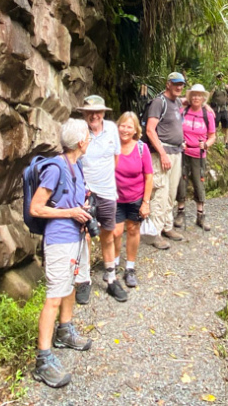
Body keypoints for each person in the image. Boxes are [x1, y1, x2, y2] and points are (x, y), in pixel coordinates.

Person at [29, 119, 93, 389]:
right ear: (81, 142)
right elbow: (36, 208)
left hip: (76, 239)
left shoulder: (76, 165)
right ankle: (43, 361)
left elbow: (71, 200)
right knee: (54, 297)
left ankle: (64, 331)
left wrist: (83, 208)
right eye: (87, 136)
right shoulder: (56, 168)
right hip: (59, 242)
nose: (89, 140)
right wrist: (71, 212)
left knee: (70, 286)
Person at [78, 95, 127, 303]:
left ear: (104, 113)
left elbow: (116, 158)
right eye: (90, 112)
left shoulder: (112, 130)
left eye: (98, 112)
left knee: (109, 233)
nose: (94, 115)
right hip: (84, 192)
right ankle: (83, 279)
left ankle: (110, 277)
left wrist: (104, 179)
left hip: (107, 191)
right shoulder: (80, 131)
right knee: (85, 236)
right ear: (84, 113)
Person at [145, 72, 186, 249]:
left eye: (181, 84)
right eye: (176, 84)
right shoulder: (158, 102)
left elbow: (194, 100)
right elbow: (150, 130)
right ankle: (154, 233)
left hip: (176, 152)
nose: (179, 87)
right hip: (162, 154)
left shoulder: (176, 102)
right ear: (168, 84)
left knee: (171, 193)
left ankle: (167, 227)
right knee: (160, 193)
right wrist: (161, 153)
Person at [113, 112, 153, 287]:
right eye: (123, 125)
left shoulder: (141, 148)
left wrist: (146, 202)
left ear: (135, 129)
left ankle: (129, 267)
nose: (125, 130)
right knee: (115, 232)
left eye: (129, 127)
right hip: (115, 198)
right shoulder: (112, 146)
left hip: (135, 197)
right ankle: (112, 264)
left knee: (132, 230)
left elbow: (149, 176)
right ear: (117, 126)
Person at [174, 84, 216, 231]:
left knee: (199, 183)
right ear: (190, 96)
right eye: (194, 95)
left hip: (199, 154)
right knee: (181, 181)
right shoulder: (183, 110)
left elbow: (212, 136)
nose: (196, 98)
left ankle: (200, 215)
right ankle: (180, 212)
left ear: (204, 97)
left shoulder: (207, 114)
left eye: (199, 95)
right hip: (183, 152)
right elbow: (171, 100)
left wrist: (206, 145)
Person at [210, 72, 228, 149]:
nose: (220, 78)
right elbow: (209, 96)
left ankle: (226, 142)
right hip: (216, 109)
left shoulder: (225, 87)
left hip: (224, 109)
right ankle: (215, 141)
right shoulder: (214, 86)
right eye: (219, 77)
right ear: (216, 78)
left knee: (225, 125)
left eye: (221, 77)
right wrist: (213, 90)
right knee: (215, 125)